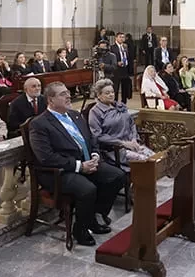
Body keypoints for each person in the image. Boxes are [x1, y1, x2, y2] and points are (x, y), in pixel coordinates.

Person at [29, 82, 127, 246]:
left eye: (68, 92)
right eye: (62, 94)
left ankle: (93, 217)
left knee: (117, 176)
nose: (68, 96)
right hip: (60, 171)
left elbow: (91, 140)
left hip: (87, 161)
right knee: (88, 189)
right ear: (50, 100)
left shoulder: (76, 115)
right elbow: (46, 157)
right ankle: (80, 230)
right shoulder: (40, 123)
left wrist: (95, 155)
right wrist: (79, 166)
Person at [88, 79, 154, 167]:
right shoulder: (95, 112)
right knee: (146, 162)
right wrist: (123, 143)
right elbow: (98, 136)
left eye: (112, 92)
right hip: (115, 150)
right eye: (107, 93)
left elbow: (132, 124)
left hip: (132, 144)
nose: (111, 95)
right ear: (99, 95)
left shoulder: (119, 106)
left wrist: (134, 139)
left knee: (155, 158)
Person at [111, 32, 134, 104]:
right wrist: (117, 62)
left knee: (125, 88)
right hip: (117, 70)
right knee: (116, 88)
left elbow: (128, 56)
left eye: (123, 37)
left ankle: (124, 103)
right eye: (120, 37)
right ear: (116, 38)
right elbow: (111, 59)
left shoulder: (125, 46)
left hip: (125, 69)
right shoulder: (112, 47)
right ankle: (115, 102)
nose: (122, 39)